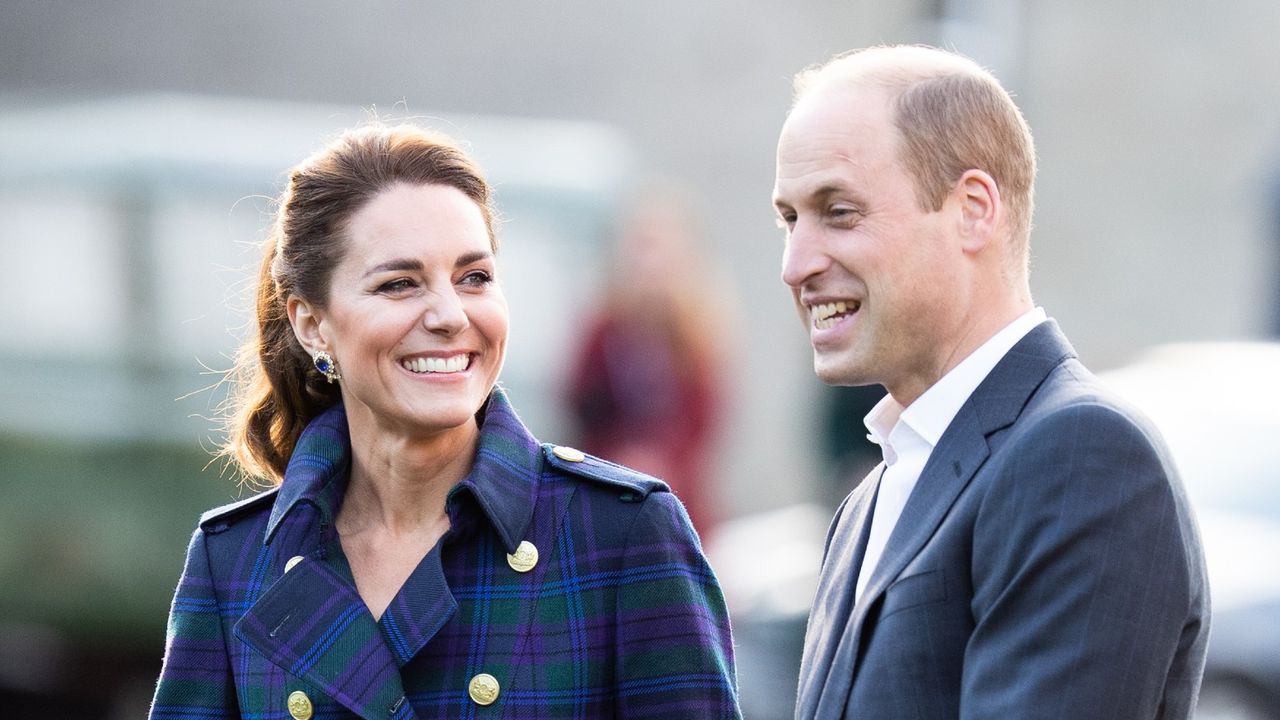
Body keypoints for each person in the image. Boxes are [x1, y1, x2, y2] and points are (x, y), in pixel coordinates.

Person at [148, 123, 741, 719]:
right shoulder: (234, 563)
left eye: (474, 278)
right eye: (400, 284)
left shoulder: (621, 535)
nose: (450, 315)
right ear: (311, 323)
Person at [772, 46, 1209, 718]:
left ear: (974, 208)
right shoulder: (876, 491)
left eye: (839, 212)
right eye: (789, 219)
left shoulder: (1080, 456)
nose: (796, 264)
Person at [564, 190, 727, 533]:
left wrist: (660, 462)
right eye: (642, 247)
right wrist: (618, 459)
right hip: (606, 487)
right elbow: (581, 406)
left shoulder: (698, 334)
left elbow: (702, 423)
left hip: (675, 496)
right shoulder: (604, 328)